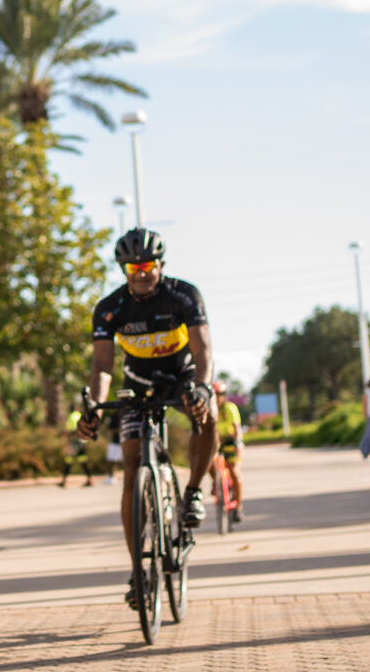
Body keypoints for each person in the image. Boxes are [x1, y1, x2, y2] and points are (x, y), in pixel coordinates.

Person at [76, 227, 217, 610]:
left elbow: (204, 351)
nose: (140, 272)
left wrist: (202, 388)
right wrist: (92, 405)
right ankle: (139, 572)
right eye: (132, 266)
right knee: (132, 466)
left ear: (160, 264)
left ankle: (192, 493)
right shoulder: (111, 307)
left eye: (147, 265)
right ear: (124, 269)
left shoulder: (184, 295)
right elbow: (103, 367)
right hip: (137, 385)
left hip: (182, 378)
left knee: (210, 413)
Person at [212, 380, 245, 519]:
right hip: (215, 444)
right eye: (214, 395)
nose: (217, 397)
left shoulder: (229, 408)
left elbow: (236, 427)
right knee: (207, 465)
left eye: (220, 394)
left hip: (231, 443)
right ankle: (216, 482)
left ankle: (238, 506)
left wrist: (237, 442)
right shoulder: (210, 409)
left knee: (234, 472)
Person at [60, 407, 95, 487]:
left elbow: (74, 431)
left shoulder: (73, 416)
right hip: (82, 442)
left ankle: (64, 481)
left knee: (69, 460)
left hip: (76, 442)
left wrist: (66, 434)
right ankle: (90, 480)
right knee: (83, 461)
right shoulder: (80, 415)